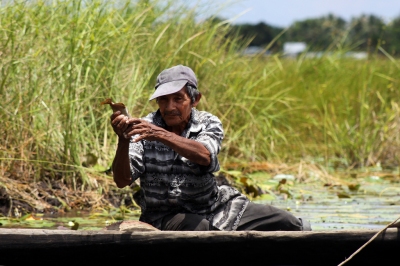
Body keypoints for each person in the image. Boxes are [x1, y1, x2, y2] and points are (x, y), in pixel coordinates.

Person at [110, 65, 311, 231]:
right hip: (165, 217)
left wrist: (160, 134)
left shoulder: (207, 123)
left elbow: (204, 155)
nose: (170, 107)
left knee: (288, 222)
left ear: (194, 100)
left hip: (216, 208)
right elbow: (122, 180)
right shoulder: (143, 129)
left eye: (178, 99)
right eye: (163, 100)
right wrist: (123, 140)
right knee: (200, 229)